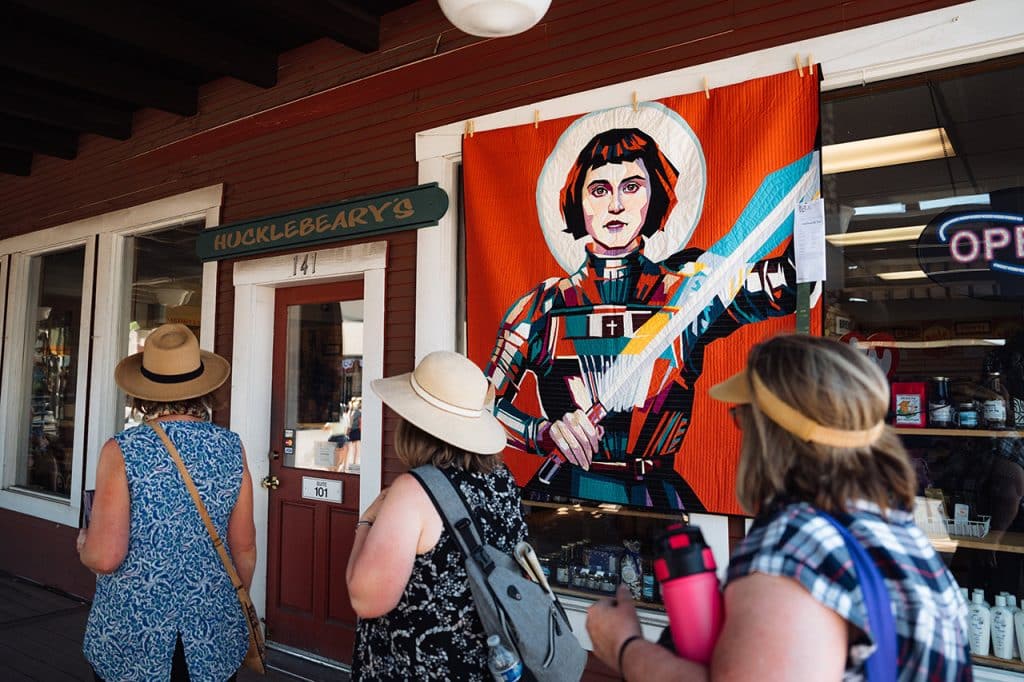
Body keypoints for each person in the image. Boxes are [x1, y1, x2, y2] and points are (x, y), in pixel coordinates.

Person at [586, 334, 972, 680]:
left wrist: (624, 646)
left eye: (739, 418)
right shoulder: (894, 528)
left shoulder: (799, 544)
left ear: (769, 432)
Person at [487, 127, 803, 511]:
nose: (615, 205)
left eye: (632, 186)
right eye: (599, 190)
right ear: (578, 200)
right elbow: (484, 406)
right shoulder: (541, 306)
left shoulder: (690, 291)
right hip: (559, 501)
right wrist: (542, 433)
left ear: (655, 196)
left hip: (657, 502)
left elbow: (791, 283)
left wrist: (816, 212)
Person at [77, 323, 256, 682]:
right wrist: (224, 597)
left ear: (143, 393)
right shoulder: (230, 447)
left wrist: (84, 545)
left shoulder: (123, 450)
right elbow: (245, 547)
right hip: (211, 631)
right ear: (203, 387)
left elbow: (105, 556)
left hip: (136, 633)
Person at [347, 351, 527, 680]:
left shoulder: (413, 492)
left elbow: (366, 598)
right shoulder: (502, 480)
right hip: (487, 662)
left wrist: (366, 522)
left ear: (412, 424)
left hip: (421, 666)